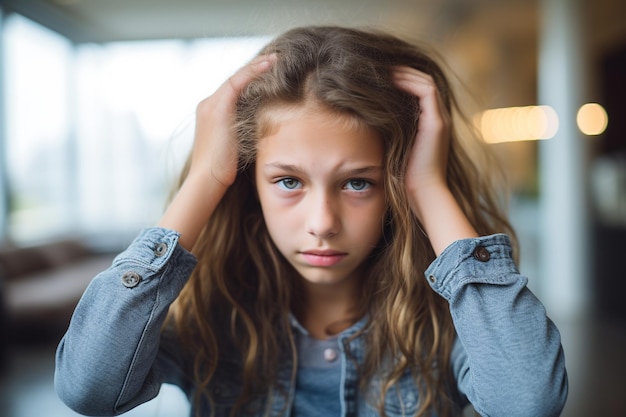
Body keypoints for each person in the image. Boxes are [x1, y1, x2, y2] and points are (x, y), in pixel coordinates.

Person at [54, 26, 568, 417]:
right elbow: (89, 389)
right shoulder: (211, 317)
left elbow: (529, 402)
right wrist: (206, 178)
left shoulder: (445, 326)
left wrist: (428, 188)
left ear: (395, 184)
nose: (322, 223)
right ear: (249, 182)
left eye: (358, 182)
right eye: (288, 181)